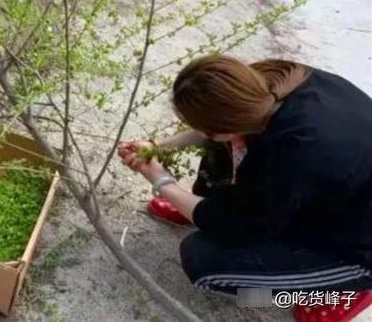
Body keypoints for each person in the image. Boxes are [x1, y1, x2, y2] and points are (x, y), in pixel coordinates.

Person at [118, 55, 372, 322]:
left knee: (205, 266)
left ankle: (339, 294)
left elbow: (237, 226)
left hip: (358, 248)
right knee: (234, 145)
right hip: (336, 193)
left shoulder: (291, 156)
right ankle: (198, 204)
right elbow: (216, 133)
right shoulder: (274, 83)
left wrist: (161, 181)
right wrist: (158, 148)